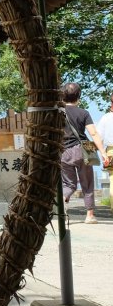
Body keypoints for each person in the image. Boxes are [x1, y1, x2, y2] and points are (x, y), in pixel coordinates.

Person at [61, 82, 110, 224]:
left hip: (63, 152)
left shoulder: (58, 113)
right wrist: (103, 152)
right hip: (83, 150)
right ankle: (89, 215)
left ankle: (64, 200)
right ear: (78, 97)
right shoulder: (84, 113)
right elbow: (93, 133)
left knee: (69, 184)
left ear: (63, 96)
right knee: (87, 183)